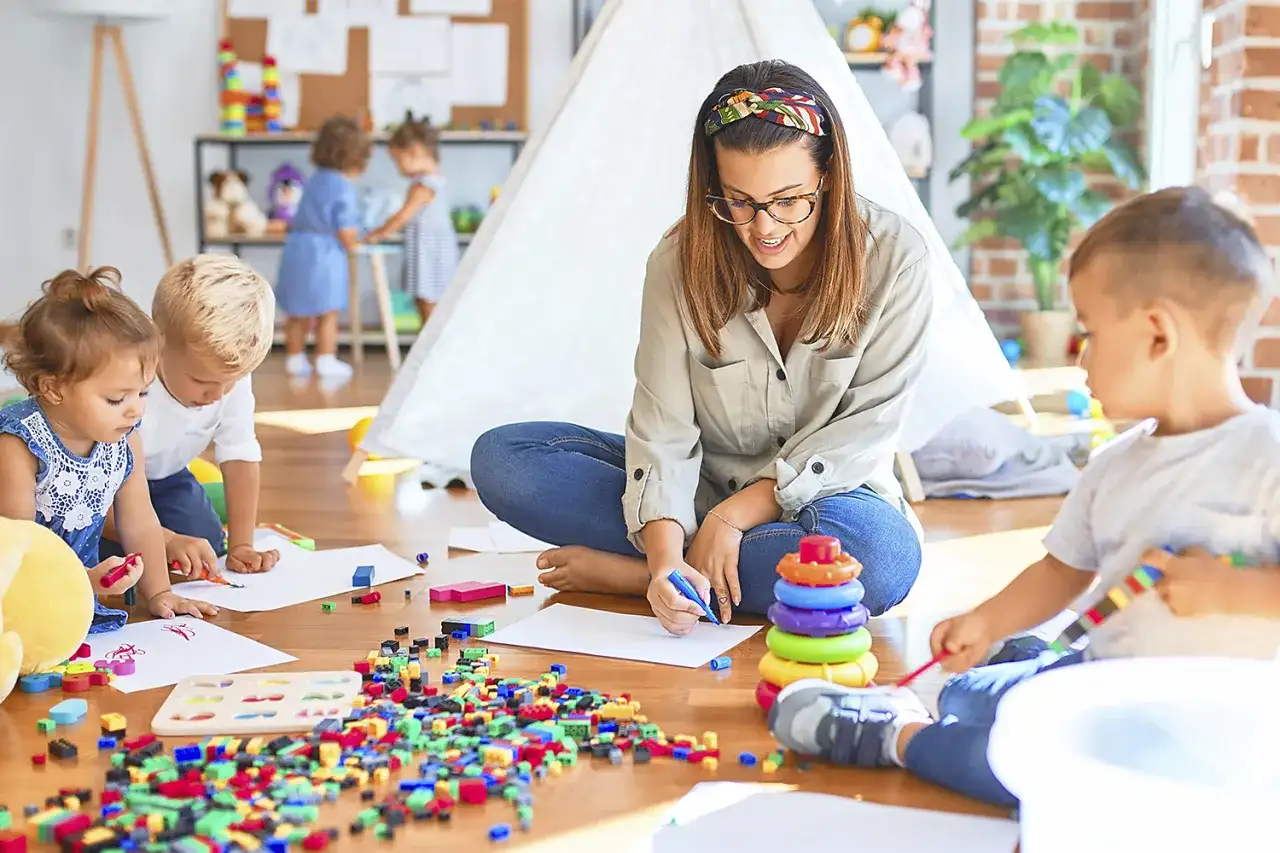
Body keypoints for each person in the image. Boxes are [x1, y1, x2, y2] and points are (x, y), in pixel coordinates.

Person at [769, 186, 1280, 807]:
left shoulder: (1266, 459)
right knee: (965, 694)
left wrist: (1240, 590)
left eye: (1088, 333)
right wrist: (987, 623)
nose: (1082, 359)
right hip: (1099, 680)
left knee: (1019, 771)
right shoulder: (1115, 467)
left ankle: (897, 737)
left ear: (1156, 335)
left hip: (1202, 741)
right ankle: (999, 676)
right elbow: (1063, 570)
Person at [470, 60, 932, 634]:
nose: (763, 228)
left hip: (826, 499)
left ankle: (632, 575)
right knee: (504, 463)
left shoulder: (896, 260)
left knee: (878, 561)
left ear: (830, 176)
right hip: (699, 491)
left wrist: (735, 518)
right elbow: (662, 426)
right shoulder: (678, 261)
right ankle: (688, 578)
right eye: (738, 201)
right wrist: (665, 559)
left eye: (788, 200)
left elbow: (864, 430)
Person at [0, 268, 218, 632]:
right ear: (53, 389)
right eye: (117, 398)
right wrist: (82, 581)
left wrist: (160, 593)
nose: (136, 410)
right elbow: (18, 546)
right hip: (20, 586)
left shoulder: (125, 437)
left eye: (143, 392)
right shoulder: (19, 445)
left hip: (76, 590)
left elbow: (140, 519)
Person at [99, 255, 281, 576]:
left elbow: (240, 453)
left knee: (207, 543)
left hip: (165, 476)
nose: (217, 395)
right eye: (201, 382)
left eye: (229, 383)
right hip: (100, 485)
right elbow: (88, 492)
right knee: (110, 552)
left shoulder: (225, 376)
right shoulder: (124, 381)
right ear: (158, 344)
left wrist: (241, 545)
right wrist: (163, 539)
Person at [275, 114, 371, 380]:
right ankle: (325, 359)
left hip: (297, 246)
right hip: (323, 253)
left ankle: (295, 359)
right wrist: (359, 239)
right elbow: (346, 231)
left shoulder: (315, 179)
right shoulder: (343, 187)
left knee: (296, 310)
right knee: (327, 310)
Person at [365, 112, 461, 329]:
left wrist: (379, 233)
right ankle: (428, 343)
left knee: (428, 300)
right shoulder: (430, 181)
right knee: (425, 299)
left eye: (398, 160)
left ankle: (430, 346)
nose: (398, 168)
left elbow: (403, 215)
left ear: (415, 152)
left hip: (430, 252)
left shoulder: (424, 185)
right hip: (427, 249)